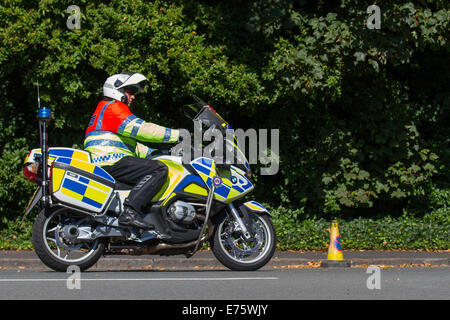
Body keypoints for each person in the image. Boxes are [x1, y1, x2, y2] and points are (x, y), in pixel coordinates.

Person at [84, 72, 180, 229]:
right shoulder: (112, 108)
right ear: (116, 90)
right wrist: (178, 135)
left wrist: (164, 153)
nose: (133, 96)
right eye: (130, 91)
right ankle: (130, 212)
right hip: (111, 161)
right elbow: (142, 129)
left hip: (111, 160)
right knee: (159, 169)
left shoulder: (106, 110)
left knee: (156, 163)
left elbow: (134, 147)